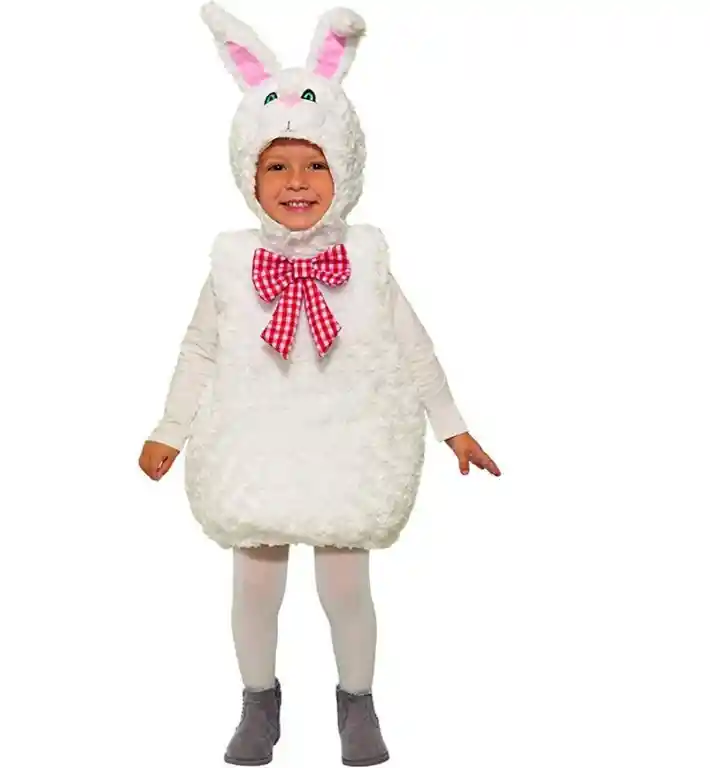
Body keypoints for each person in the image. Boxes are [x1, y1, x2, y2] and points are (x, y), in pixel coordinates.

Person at [138, 4, 501, 766]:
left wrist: (453, 425)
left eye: (314, 165)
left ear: (346, 168)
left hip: (343, 441)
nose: (297, 182)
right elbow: (199, 348)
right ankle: (258, 702)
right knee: (255, 586)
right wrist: (170, 429)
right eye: (277, 166)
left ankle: (357, 703)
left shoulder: (365, 261)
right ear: (249, 174)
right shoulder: (233, 264)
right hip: (257, 439)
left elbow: (412, 347)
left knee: (344, 588)